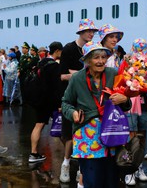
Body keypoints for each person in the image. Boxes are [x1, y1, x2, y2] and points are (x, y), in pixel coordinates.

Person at [61, 42, 131, 187]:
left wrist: (124, 99)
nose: (101, 61)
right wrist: (73, 113)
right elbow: (66, 103)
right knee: (92, 180)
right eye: (96, 58)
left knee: (112, 179)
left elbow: (126, 103)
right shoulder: (77, 78)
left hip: (112, 131)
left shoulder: (113, 73)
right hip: (87, 135)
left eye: (103, 57)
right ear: (87, 60)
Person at [59, 18, 98, 183]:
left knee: (87, 133)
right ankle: (66, 165)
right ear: (81, 32)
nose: (91, 34)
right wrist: (81, 74)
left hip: (89, 98)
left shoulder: (93, 49)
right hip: (73, 96)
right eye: (88, 31)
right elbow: (62, 76)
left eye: (93, 31)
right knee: (69, 135)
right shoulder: (69, 49)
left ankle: (82, 171)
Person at [28, 41, 64, 163]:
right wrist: (59, 104)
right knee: (60, 126)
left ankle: (33, 152)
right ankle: (71, 153)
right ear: (58, 51)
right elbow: (57, 86)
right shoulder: (54, 66)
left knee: (38, 125)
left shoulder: (41, 62)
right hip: (49, 100)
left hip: (38, 98)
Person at [124, 38, 147, 186]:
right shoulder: (127, 62)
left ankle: (139, 166)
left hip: (145, 102)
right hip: (130, 102)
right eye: (138, 48)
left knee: (142, 135)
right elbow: (122, 79)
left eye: (142, 48)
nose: (140, 51)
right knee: (131, 134)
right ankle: (129, 169)